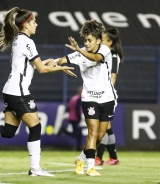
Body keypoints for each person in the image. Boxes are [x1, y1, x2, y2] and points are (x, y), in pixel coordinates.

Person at [0, 7, 76, 177]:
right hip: (18, 92)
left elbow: (35, 64)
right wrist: (60, 67)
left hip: (10, 90)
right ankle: (35, 169)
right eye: (34, 22)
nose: (36, 25)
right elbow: (40, 68)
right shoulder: (27, 42)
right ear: (26, 25)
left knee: (9, 131)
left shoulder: (19, 40)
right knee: (36, 127)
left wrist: (54, 63)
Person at [56, 19, 117, 176]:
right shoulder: (80, 52)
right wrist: (54, 63)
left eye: (90, 40)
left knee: (100, 136)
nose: (87, 43)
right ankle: (90, 167)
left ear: (98, 40)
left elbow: (95, 58)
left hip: (107, 98)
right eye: (85, 40)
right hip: (89, 98)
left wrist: (78, 50)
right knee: (93, 131)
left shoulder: (105, 50)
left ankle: (81, 158)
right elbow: (62, 60)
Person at [95, 28, 124, 166]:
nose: (99, 41)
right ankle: (113, 158)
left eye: (102, 39)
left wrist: (105, 92)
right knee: (107, 127)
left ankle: (98, 158)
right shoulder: (104, 53)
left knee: (103, 126)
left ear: (110, 42)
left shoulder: (112, 55)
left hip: (106, 95)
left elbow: (113, 77)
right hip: (102, 93)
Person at [58, 86, 83, 151]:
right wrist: (79, 117)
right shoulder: (78, 99)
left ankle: (78, 148)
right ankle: (64, 131)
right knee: (78, 134)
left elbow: (68, 108)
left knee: (79, 134)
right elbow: (77, 108)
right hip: (75, 118)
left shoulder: (73, 98)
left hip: (72, 117)